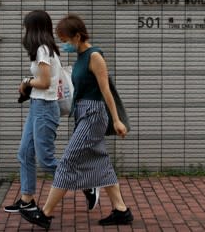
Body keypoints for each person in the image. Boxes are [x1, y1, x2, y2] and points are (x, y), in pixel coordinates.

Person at [20, 13, 134, 229]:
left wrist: (117, 120)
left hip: (94, 114)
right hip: (83, 113)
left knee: (67, 162)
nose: (64, 45)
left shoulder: (94, 56)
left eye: (65, 40)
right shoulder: (81, 58)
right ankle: (121, 210)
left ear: (78, 36)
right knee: (101, 163)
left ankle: (44, 213)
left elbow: (106, 90)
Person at [4, 10, 61, 213]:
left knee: (46, 159)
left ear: (34, 28)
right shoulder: (46, 49)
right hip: (38, 106)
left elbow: (44, 82)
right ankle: (27, 199)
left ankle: (86, 182)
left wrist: (26, 82)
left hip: (44, 108)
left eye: (26, 27)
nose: (24, 31)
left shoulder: (43, 50)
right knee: (25, 153)